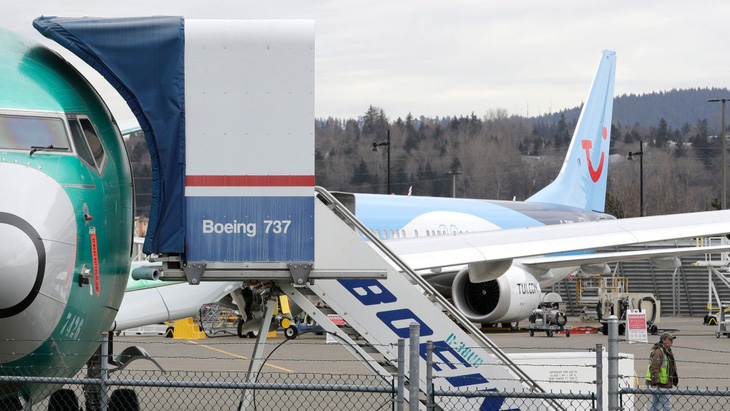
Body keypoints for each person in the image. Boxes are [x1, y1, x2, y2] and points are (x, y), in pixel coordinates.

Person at [645, 331, 679, 411]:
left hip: (663, 382)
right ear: (663, 340)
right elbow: (654, 368)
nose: (672, 341)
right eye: (670, 339)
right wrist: (655, 383)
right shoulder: (659, 352)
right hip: (660, 383)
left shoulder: (667, 351)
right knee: (667, 404)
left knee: (656, 404)